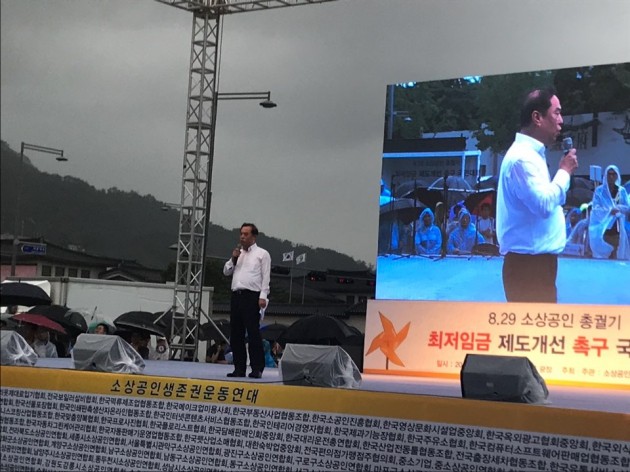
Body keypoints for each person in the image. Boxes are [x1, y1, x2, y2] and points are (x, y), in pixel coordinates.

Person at [496, 88, 579, 303]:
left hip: (535, 265)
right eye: (557, 113)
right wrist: (564, 172)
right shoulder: (522, 159)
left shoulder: (532, 155)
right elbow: (542, 204)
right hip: (529, 268)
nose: (561, 121)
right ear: (537, 118)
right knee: (533, 333)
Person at [223, 223, 271, 379]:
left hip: (252, 296)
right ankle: (239, 368)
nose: (242, 237)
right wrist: (233, 258)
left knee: (253, 332)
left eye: (246, 234)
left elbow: (266, 277)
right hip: (236, 295)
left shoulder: (262, 254)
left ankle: (257, 368)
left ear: (253, 236)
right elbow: (226, 271)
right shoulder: (238, 254)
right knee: (236, 333)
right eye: (241, 234)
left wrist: (263, 296)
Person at [589, 164, 630, 260]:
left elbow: (627, 208)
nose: (611, 177)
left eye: (614, 174)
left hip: (618, 228)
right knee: (603, 256)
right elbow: (596, 209)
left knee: (617, 253)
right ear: (606, 175)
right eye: (609, 174)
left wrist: (619, 208)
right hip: (603, 228)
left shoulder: (621, 191)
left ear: (617, 176)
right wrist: (609, 211)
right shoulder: (599, 191)